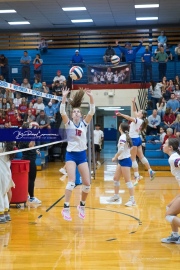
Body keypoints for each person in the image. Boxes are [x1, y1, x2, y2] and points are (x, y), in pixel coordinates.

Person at [60, 88, 95, 221]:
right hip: (71, 155)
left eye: (78, 112)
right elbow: (62, 111)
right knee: (71, 181)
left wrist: (91, 97)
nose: (75, 113)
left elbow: (92, 111)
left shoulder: (84, 124)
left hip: (82, 155)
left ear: (81, 115)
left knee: (87, 183)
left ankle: (81, 205)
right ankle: (66, 208)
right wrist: (64, 97)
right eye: (74, 111)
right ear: (72, 114)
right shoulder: (68, 123)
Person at [116, 98, 155, 185]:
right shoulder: (141, 120)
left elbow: (129, 118)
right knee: (141, 157)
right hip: (138, 139)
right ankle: (150, 170)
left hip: (133, 139)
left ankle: (136, 177)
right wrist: (133, 103)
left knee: (133, 158)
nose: (137, 111)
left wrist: (121, 114)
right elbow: (134, 110)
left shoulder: (138, 120)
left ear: (141, 114)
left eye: (139, 111)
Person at [107, 122, 136, 206]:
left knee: (128, 181)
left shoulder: (123, 137)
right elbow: (129, 148)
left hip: (125, 160)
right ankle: (116, 196)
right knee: (115, 178)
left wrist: (115, 157)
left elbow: (121, 149)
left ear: (120, 128)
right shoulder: (125, 136)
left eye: (119, 126)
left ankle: (132, 200)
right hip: (122, 160)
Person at [161, 138, 180, 244]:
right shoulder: (174, 157)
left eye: (165, 143)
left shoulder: (173, 158)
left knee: (168, 215)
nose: (163, 145)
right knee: (169, 207)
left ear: (170, 148)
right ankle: (175, 235)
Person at [0, 142, 15, 223]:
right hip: (7, 173)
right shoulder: (9, 145)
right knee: (4, 193)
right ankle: (6, 214)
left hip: (1, 173)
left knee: (0, 193)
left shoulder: (1, 145)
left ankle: (1, 215)